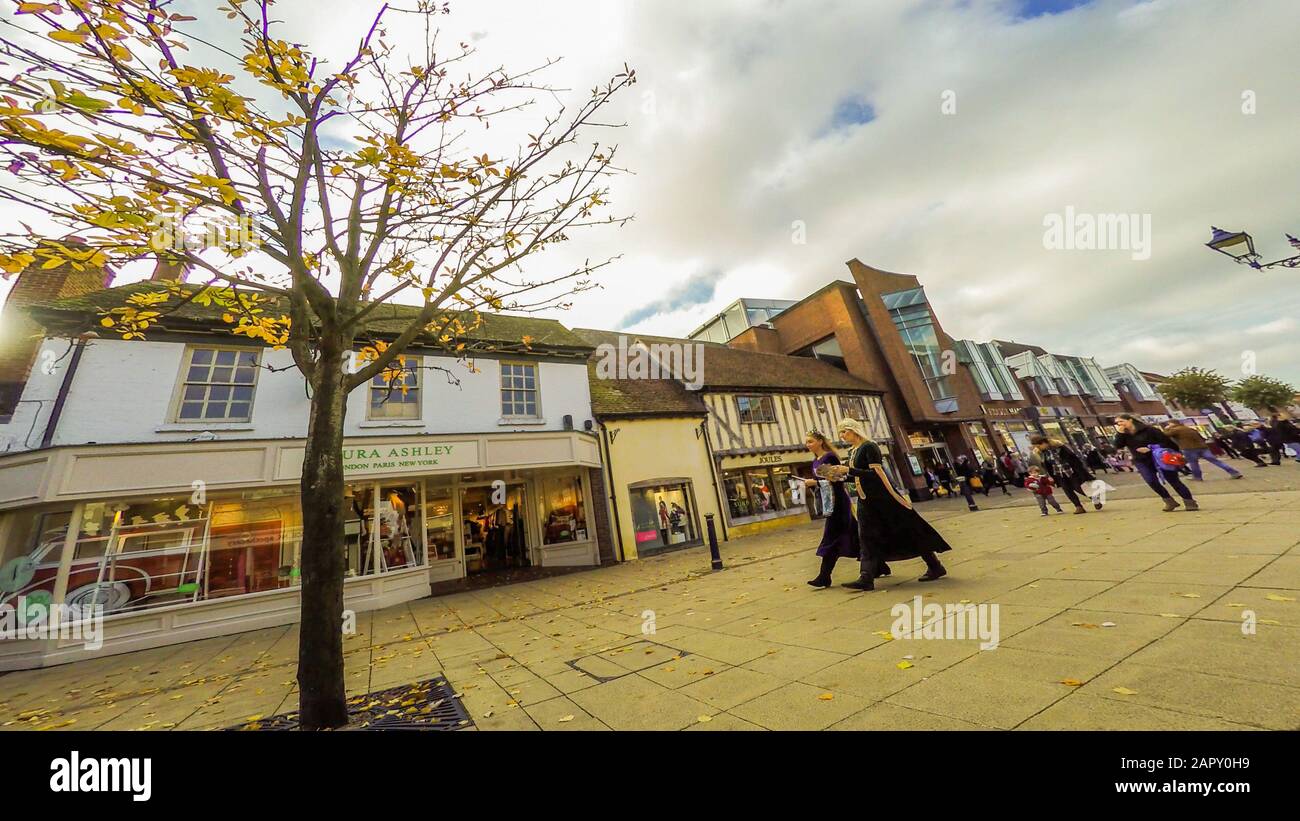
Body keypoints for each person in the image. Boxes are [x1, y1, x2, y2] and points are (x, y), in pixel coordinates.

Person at [821, 419, 951, 590]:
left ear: (853, 430)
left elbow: (875, 474)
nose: (842, 436)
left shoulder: (869, 446)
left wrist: (849, 470)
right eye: (840, 433)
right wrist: (839, 476)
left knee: (908, 530)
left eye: (844, 432)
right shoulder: (853, 451)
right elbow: (859, 476)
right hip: (865, 500)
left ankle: (935, 565)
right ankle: (866, 577)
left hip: (883, 498)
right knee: (866, 536)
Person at [803, 431, 862, 588]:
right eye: (807, 442)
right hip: (828, 501)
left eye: (810, 441)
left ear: (820, 441)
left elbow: (837, 479)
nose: (807, 445)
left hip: (838, 502)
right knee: (855, 535)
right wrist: (813, 483)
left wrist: (814, 482)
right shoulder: (815, 461)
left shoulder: (830, 457)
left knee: (832, 537)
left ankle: (824, 576)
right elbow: (821, 480)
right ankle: (879, 565)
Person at [1113, 413, 1199, 511]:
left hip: (1160, 457)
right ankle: (1169, 501)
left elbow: (1168, 443)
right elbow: (1117, 446)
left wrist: (1150, 448)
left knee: (1173, 480)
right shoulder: (1124, 435)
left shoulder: (1150, 430)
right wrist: (1120, 434)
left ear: (1130, 420)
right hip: (1141, 460)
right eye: (1117, 423)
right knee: (1151, 481)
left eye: (1121, 421)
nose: (1119, 424)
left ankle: (1189, 502)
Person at [1028, 434, 1097, 513]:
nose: (1038, 448)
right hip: (1058, 473)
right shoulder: (1042, 453)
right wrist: (1049, 476)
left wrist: (1081, 470)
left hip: (1070, 471)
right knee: (1067, 490)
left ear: (1043, 442)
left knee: (1078, 487)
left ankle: (1094, 498)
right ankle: (1078, 506)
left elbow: (1073, 458)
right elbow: (1046, 465)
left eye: (1039, 446)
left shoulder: (1059, 447)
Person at [1161, 420, 1242, 481]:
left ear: (1173, 423)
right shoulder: (1190, 428)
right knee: (1216, 461)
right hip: (1203, 447)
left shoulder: (1175, 429)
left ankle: (1197, 477)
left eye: (1169, 423)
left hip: (1189, 448)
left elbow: (1165, 435)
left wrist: (1167, 429)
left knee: (1194, 463)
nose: (1168, 425)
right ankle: (1234, 472)